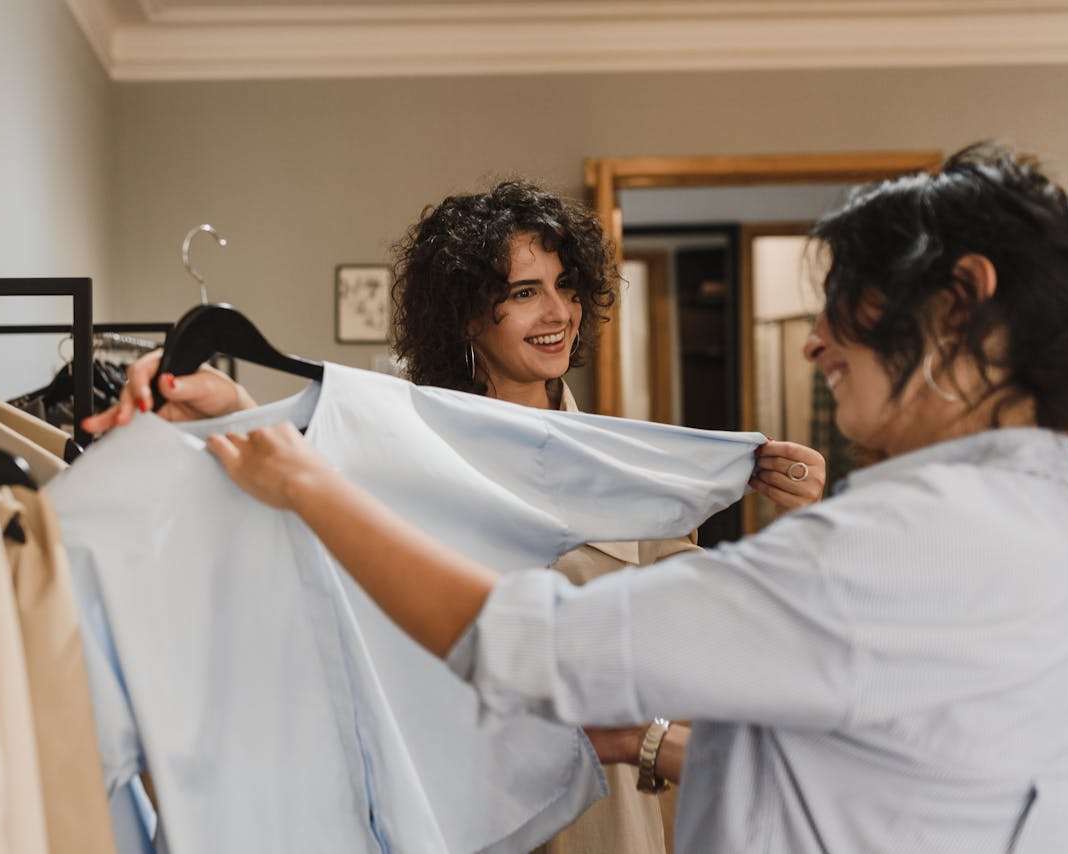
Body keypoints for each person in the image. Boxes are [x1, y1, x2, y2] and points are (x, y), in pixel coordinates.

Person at [200, 143, 1068, 852]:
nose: (814, 344)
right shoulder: (1041, 523)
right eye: (521, 293)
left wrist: (307, 486)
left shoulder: (882, 545)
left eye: (845, 303)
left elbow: (538, 647)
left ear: (958, 304)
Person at [85, 179, 827, 852]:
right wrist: (239, 416)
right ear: (470, 316)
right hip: (448, 809)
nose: (558, 313)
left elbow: (724, 652)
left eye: (567, 287)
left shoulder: (624, 478)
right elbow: (320, 559)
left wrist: (805, 529)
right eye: (526, 291)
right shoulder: (401, 451)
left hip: (602, 816)